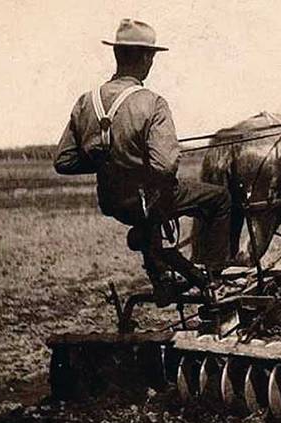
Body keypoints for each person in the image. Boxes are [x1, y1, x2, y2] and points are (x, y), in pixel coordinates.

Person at [54, 18, 230, 280]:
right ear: (147, 58)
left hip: (113, 202)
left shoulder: (86, 101)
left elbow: (64, 161)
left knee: (153, 207)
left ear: (116, 53)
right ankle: (214, 277)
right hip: (148, 201)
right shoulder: (152, 103)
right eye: (151, 57)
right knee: (221, 199)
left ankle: (160, 266)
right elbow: (165, 167)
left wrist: (105, 157)